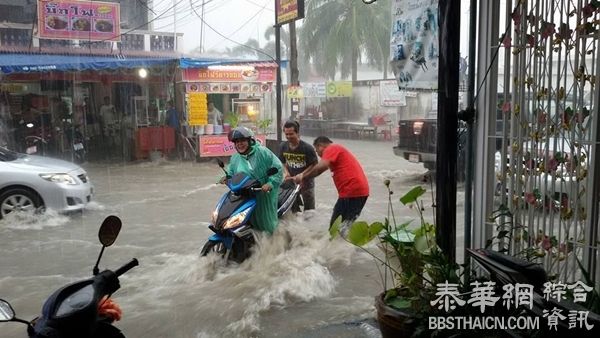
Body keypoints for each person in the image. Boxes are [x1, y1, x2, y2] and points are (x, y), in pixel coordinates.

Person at [294, 136, 369, 229]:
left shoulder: (331, 148)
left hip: (351, 191)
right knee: (345, 226)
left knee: (335, 227)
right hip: (359, 192)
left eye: (317, 151)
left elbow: (319, 168)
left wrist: (303, 176)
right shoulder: (337, 150)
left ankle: (334, 243)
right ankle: (342, 243)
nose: (318, 154)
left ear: (320, 146)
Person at [223, 126, 283, 234]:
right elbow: (231, 173)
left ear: (250, 140)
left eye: (242, 141)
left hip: (263, 194)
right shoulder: (235, 158)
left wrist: (270, 183)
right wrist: (226, 178)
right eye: (236, 142)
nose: (239, 144)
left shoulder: (262, 152)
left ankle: (273, 244)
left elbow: (277, 168)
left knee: (267, 226)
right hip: (244, 195)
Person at [278, 120, 318, 213]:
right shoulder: (283, 146)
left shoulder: (307, 148)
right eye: (286, 134)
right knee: (294, 210)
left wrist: (302, 175)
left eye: (291, 134)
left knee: (309, 212)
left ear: (297, 133)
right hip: (291, 182)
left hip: (307, 184)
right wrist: (286, 173)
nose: (288, 137)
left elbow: (314, 164)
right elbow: (282, 162)